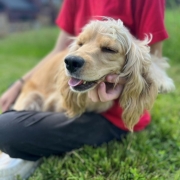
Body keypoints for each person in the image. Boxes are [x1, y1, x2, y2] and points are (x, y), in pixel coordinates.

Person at [0, 0, 168, 179]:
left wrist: (122, 85)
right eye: (81, 44)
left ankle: (31, 148)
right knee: (9, 119)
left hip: (112, 117)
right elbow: (60, 50)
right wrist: (19, 84)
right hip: (71, 105)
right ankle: (35, 140)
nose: (76, 57)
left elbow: (154, 64)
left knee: (7, 129)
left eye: (108, 48)